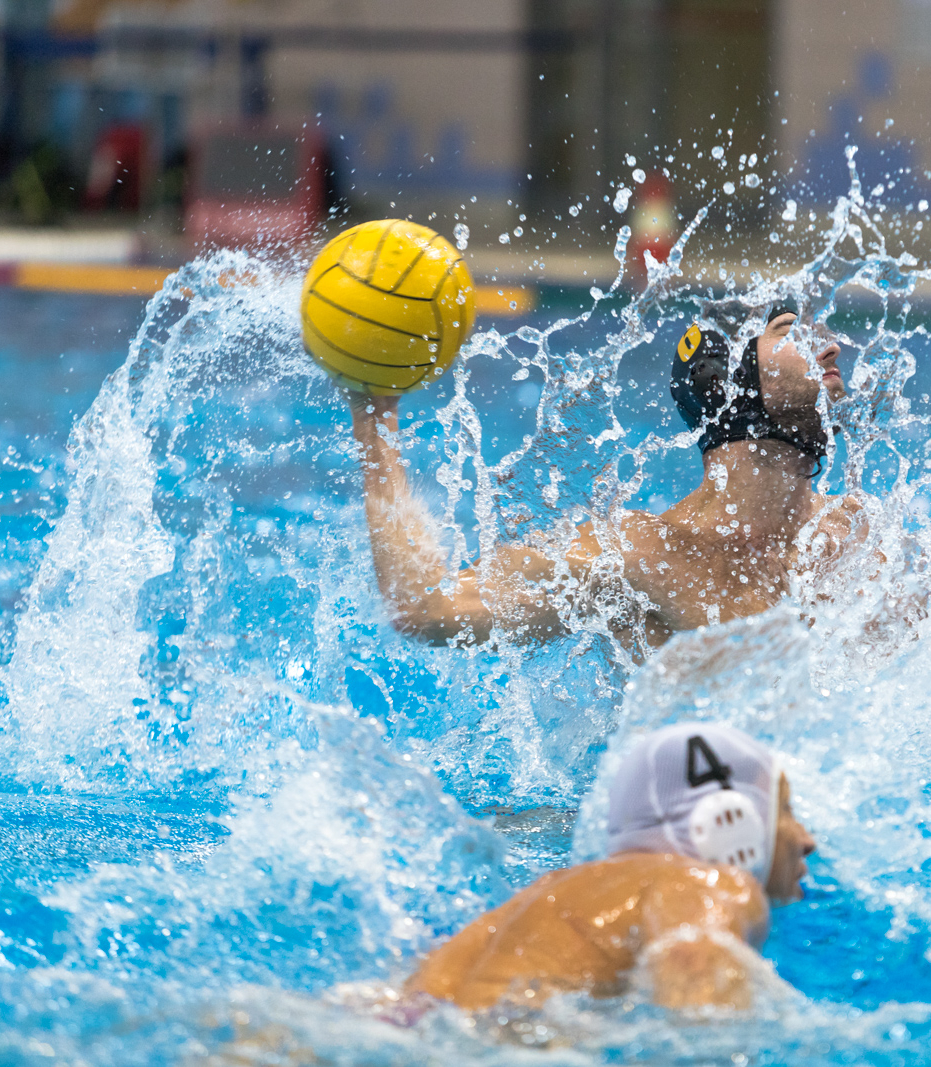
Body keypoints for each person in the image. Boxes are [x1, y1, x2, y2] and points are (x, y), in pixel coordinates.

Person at [347, 300, 865, 649]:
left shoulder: (853, 536)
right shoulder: (638, 556)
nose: (831, 347)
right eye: (790, 332)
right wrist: (374, 413)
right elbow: (425, 610)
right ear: (727, 380)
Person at [405, 722, 817, 1010]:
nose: (807, 839)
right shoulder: (708, 883)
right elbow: (693, 962)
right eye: (785, 810)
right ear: (733, 819)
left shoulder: (545, 894)